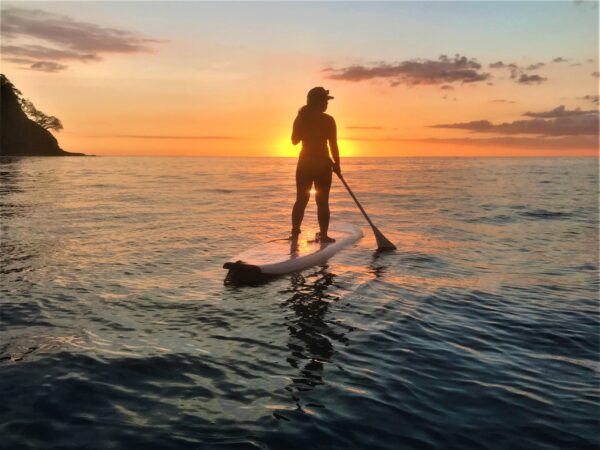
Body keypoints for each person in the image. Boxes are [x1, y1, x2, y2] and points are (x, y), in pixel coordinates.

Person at [290, 87, 341, 243]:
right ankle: (324, 235)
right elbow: (333, 145)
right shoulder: (329, 120)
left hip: (305, 163)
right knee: (323, 201)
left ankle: (295, 234)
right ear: (318, 102)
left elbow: (294, 141)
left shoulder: (301, 118)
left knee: (301, 199)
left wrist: (302, 123)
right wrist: (337, 164)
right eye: (325, 101)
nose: (327, 104)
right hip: (323, 164)